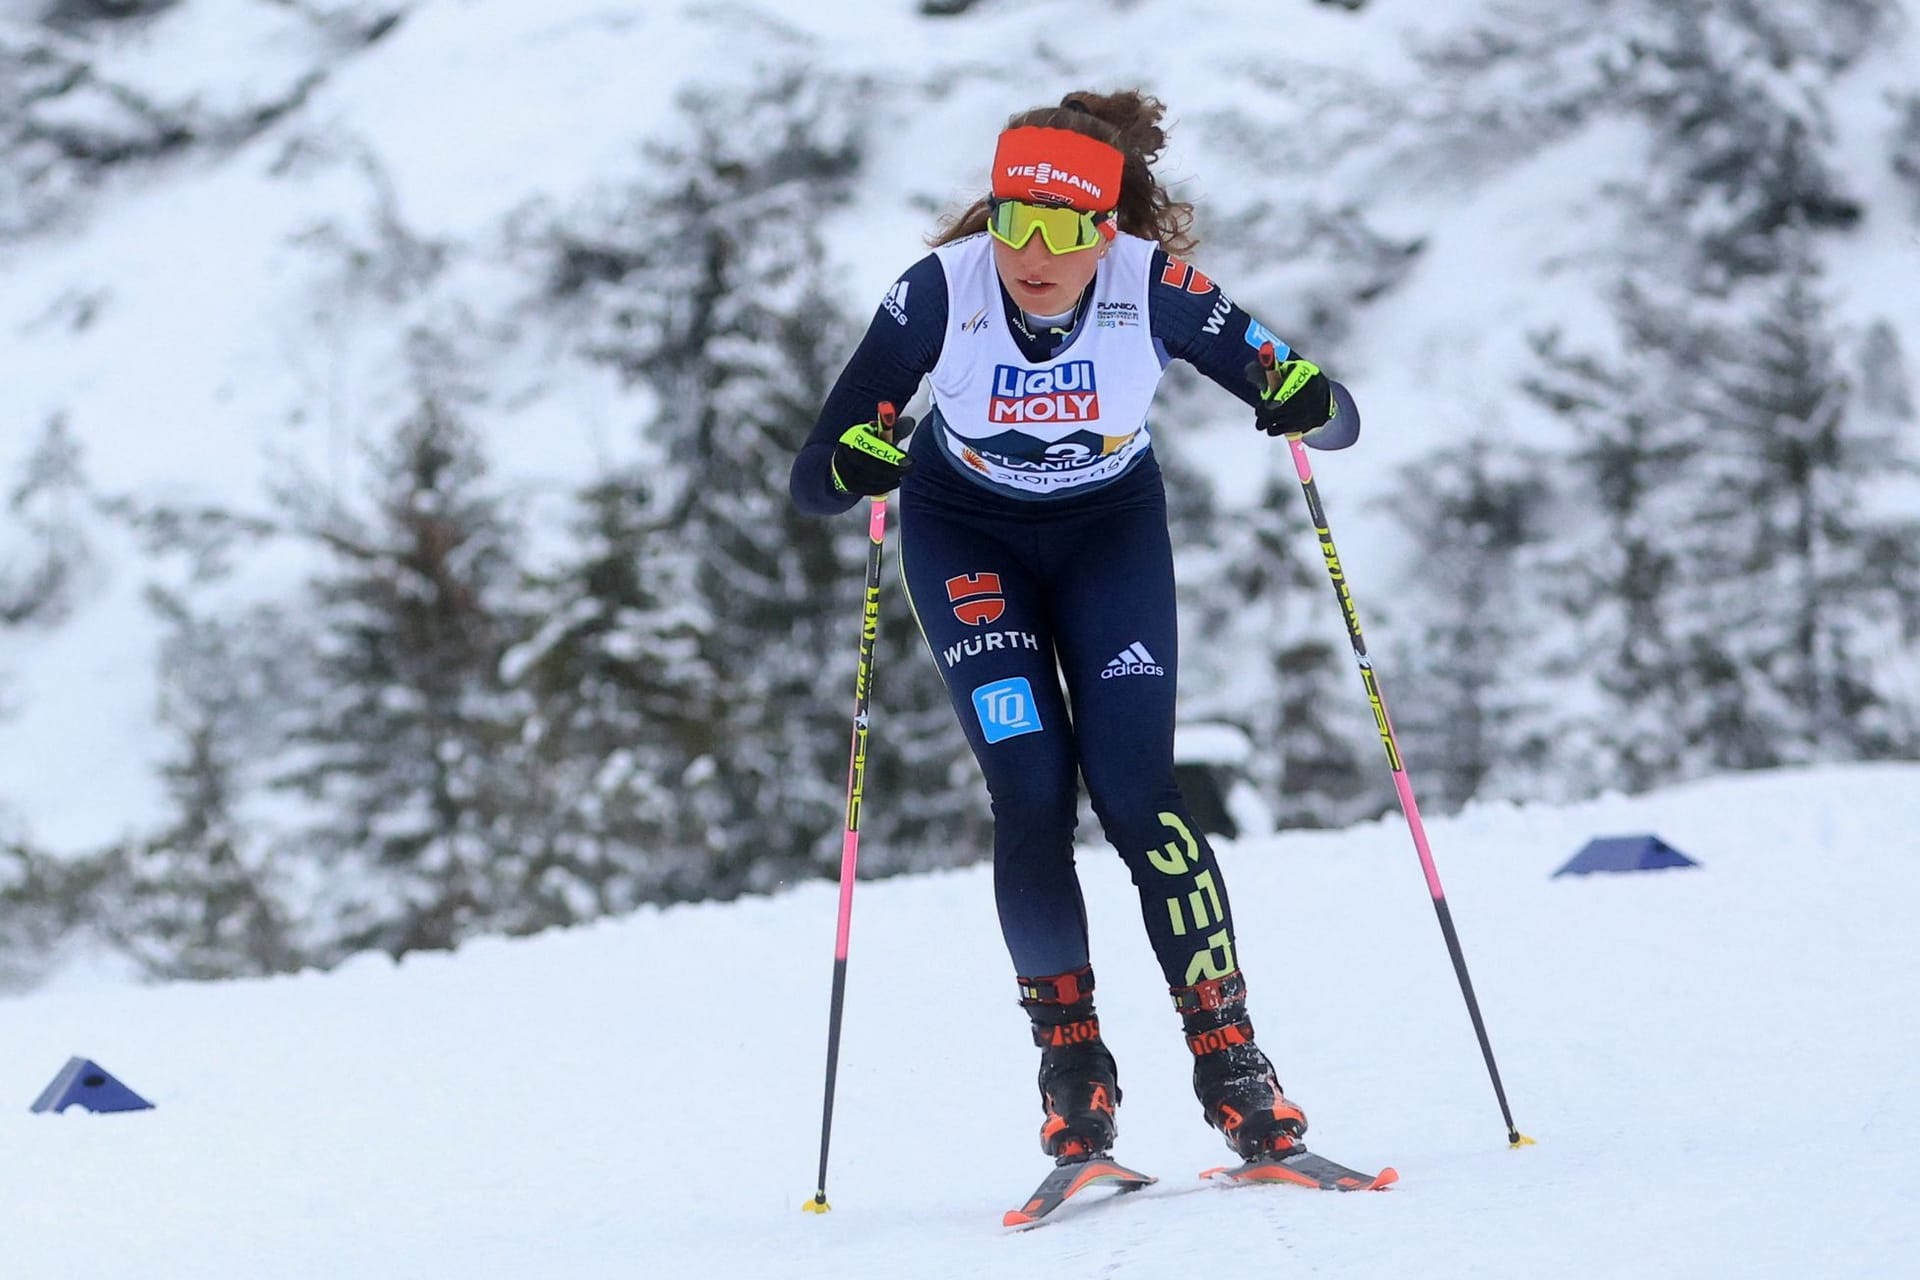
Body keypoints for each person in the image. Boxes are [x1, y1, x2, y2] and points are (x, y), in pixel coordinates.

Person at [789, 90, 1359, 1167]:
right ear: (991, 217)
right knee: (1033, 793)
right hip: (969, 544)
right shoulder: (935, 297)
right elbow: (814, 480)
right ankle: (1074, 1075)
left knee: (1142, 796)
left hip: (1109, 539)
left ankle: (1232, 1062)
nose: (1033, 254)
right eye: (1014, 224)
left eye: (1062, 231)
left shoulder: (1156, 290)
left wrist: (1301, 399)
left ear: (1107, 229)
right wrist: (854, 464)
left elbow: (1330, 410)